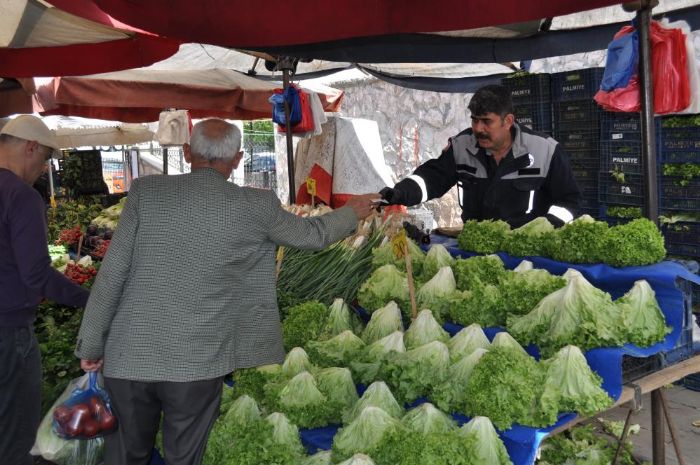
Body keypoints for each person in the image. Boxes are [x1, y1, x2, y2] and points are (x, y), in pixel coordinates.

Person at [75, 118, 380, 465]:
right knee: (183, 456)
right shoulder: (256, 205)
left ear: (188, 152)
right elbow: (313, 235)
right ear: (238, 158)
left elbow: (112, 274)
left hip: (129, 356)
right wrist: (350, 212)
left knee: (125, 455)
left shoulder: (146, 193)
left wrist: (91, 343)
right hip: (197, 362)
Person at [0, 115, 90, 465]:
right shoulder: (20, 196)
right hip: (7, 333)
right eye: (44, 160)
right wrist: (92, 300)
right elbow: (37, 273)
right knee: (15, 435)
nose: (42, 169)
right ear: (30, 147)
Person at [380, 84, 581, 228]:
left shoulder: (545, 150)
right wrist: (399, 193)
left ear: (508, 120)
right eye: (474, 120)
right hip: (476, 249)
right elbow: (431, 179)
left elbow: (570, 201)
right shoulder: (461, 146)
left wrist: (547, 227)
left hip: (527, 255)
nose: (478, 128)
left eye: (486, 121)